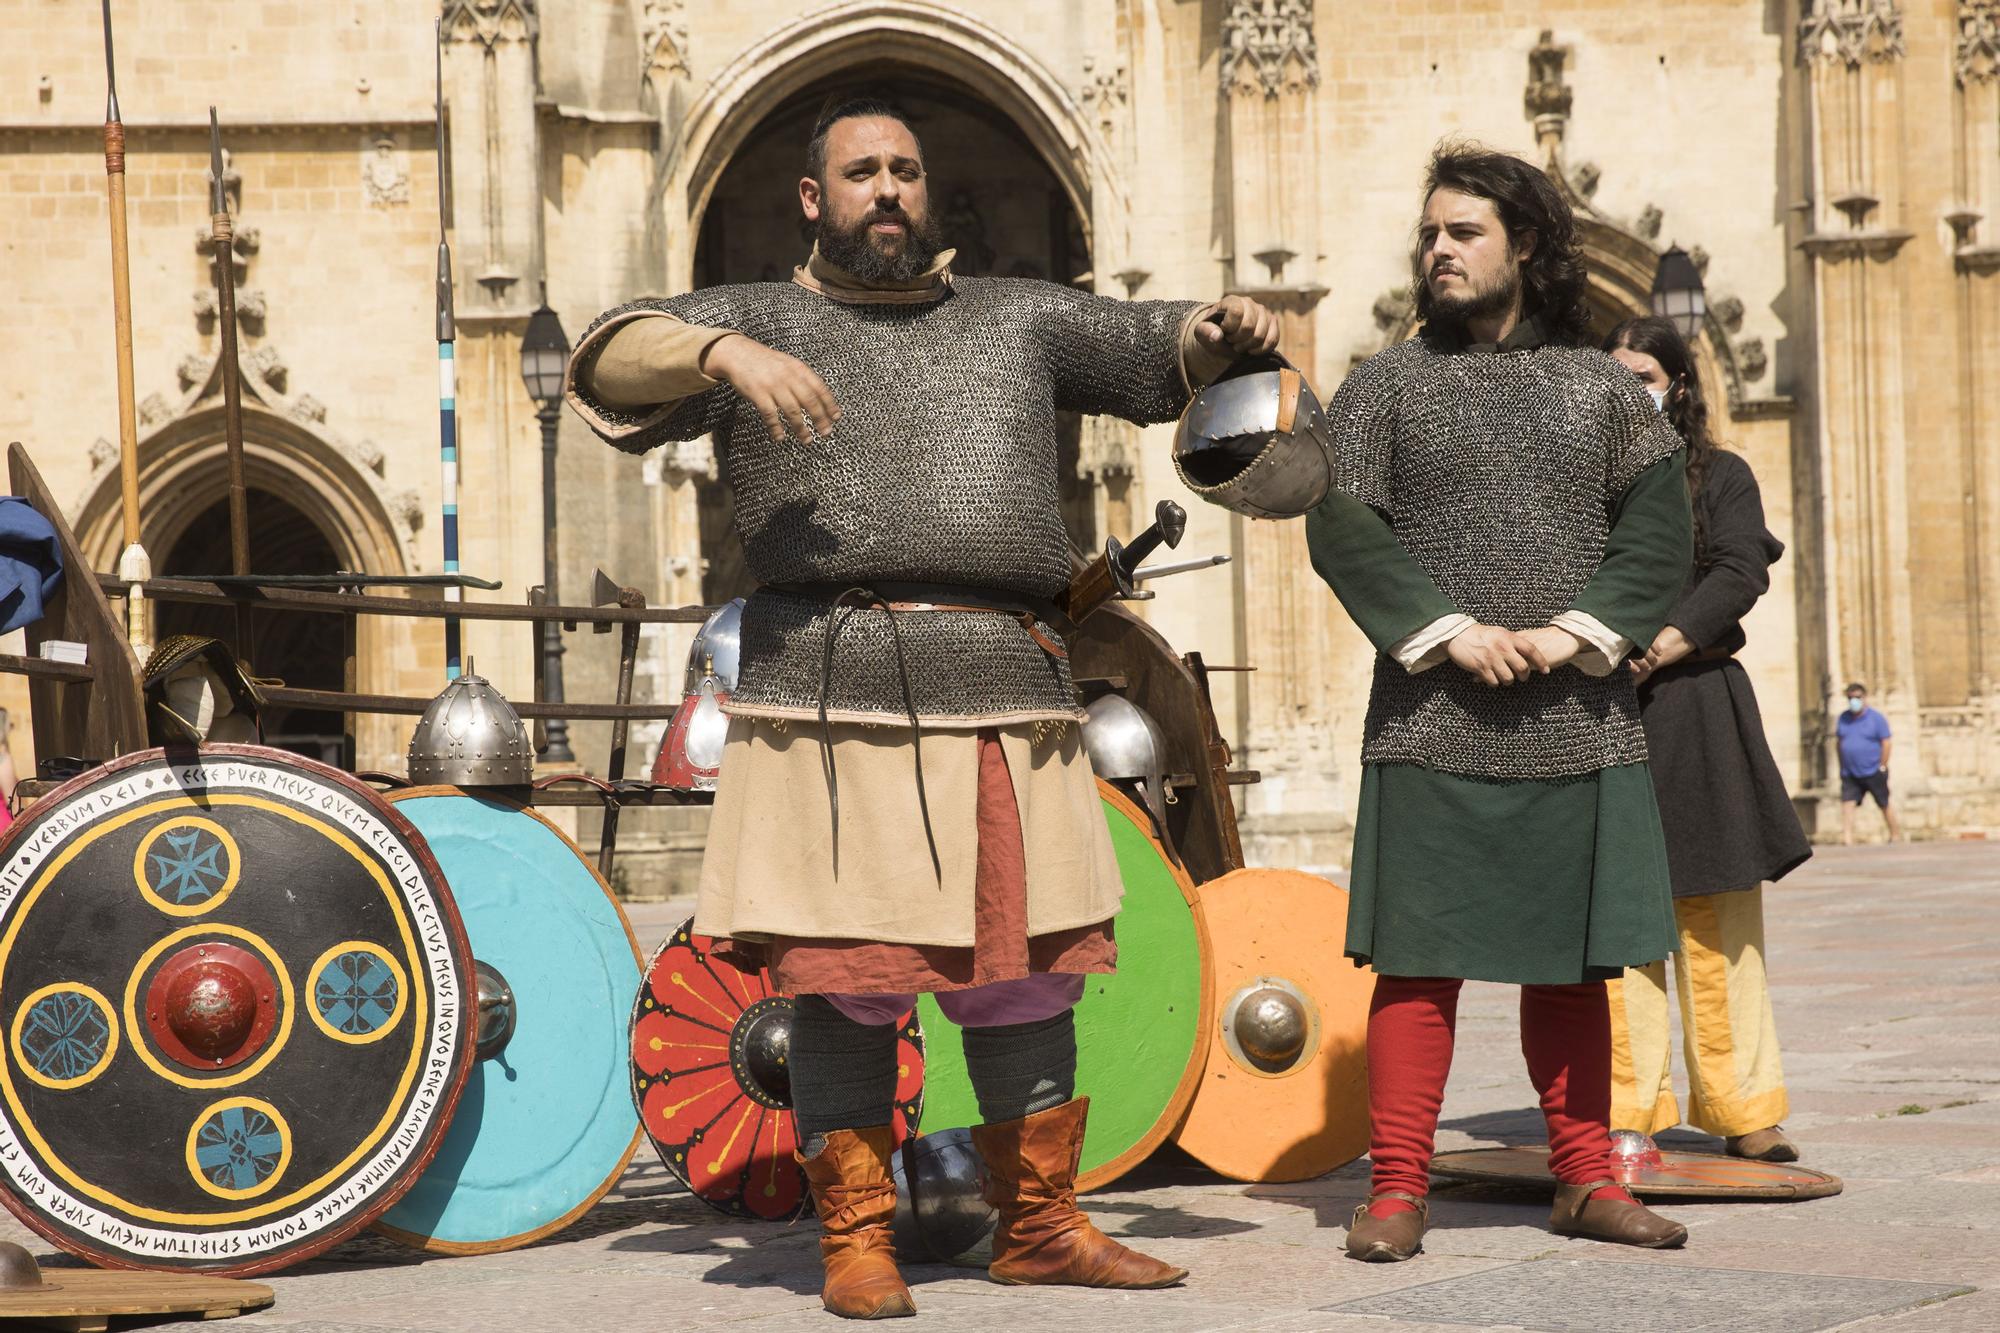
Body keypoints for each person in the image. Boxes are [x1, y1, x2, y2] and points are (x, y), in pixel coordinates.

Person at [564, 97, 1279, 1319]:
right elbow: (601, 357)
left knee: (1027, 973)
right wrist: (717, 353)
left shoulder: (1015, 319)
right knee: (849, 978)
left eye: (903, 170)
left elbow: (1157, 351)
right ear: (813, 197)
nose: (886, 189)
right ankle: (856, 1232)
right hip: (828, 686)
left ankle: (1041, 1225)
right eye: (860, 172)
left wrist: (1218, 329)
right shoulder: (755, 318)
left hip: (1005, 675)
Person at [1305, 142, 1693, 1262]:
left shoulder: (1597, 389)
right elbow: (1342, 523)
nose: (1436, 250)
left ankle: (1582, 1178)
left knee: (1572, 961)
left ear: (1521, 245)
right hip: (1431, 712)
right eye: (1427, 233)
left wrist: (1575, 634)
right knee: (1415, 963)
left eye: (1460, 232)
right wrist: (1449, 633)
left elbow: (1656, 524)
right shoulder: (1381, 387)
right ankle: (1392, 1192)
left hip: (1572, 715)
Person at [1601, 316, 1813, 1165]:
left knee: (1718, 912)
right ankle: (1628, 1105)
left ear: (1678, 386)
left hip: (1694, 702)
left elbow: (1738, 568)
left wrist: (1661, 644)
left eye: (1644, 374)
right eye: (1613, 376)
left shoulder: (1720, 474)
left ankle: (1743, 1105)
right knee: (1622, 921)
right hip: (1607, 710)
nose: (1629, 390)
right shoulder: (1585, 486)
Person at [1838, 683, 1902, 844]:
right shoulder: (1843, 718)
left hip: (1873, 769)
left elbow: (1886, 742)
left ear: (1864, 698)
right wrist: (1842, 765)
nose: (1854, 701)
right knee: (1847, 803)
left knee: (1884, 803)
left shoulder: (1876, 718)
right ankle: (1847, 838)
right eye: (1850, 698)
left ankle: (1895, 834)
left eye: (1857, 697)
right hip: (1850, 771)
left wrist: (1882, 765)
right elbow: (1839, 742)